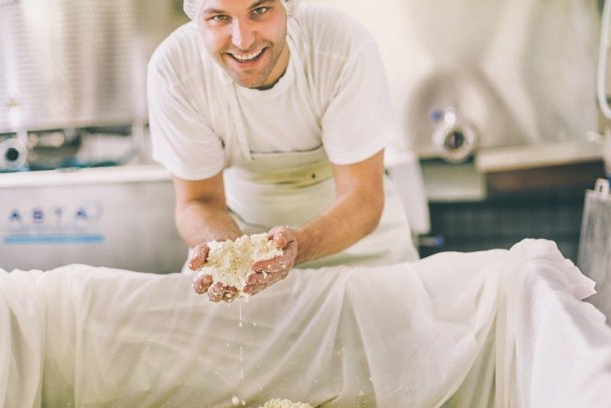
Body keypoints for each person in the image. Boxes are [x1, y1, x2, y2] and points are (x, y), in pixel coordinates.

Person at [147, 0, 418, 302]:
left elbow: (363, 196)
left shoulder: (340, 46)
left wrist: (296, 247)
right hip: (244, 239)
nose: (242, 40)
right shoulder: (176, 70)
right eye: (220, 18)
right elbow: (197, 201)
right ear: (198, 18)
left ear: (288, 6)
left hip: (363, 254)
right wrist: (230, 254)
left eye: (260, 10)